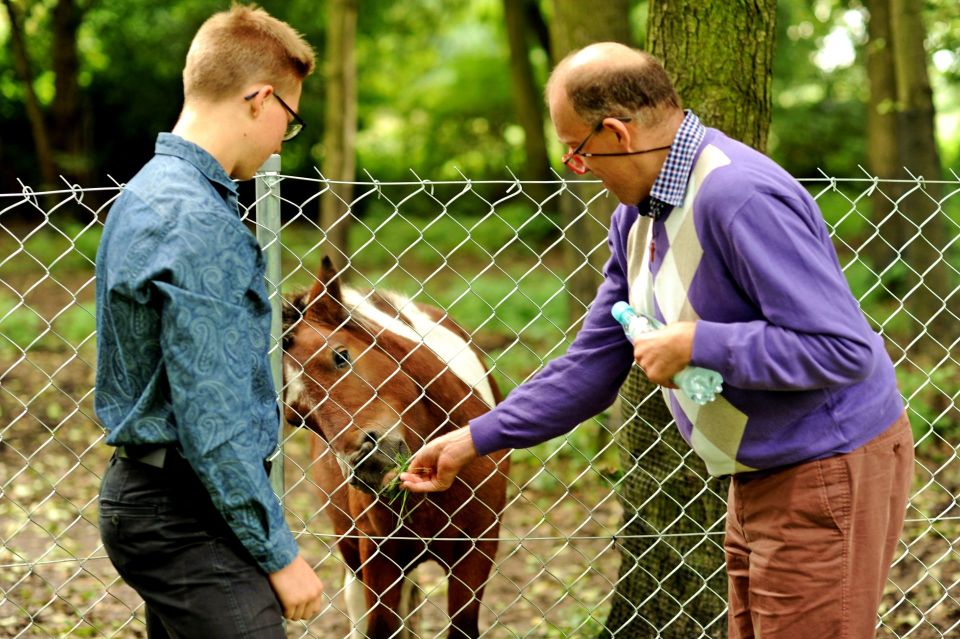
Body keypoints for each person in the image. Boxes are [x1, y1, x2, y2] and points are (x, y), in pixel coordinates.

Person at [401, 42, 914, 639]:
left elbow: (840, 349)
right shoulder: (637, 215)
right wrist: (473, 439)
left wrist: (701, 343)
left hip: (826, 466)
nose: (578, 165)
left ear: (617, 133)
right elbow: (592, 363)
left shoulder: (737, 196)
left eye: (576, 149)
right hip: (759, 474)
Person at [94, 5, 323, 637]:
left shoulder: (147, 190)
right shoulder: (197, 221)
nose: (282, 139)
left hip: (158, 496)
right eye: (289, 118)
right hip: (184, 514)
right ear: (259, 98)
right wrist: (280, 554)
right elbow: (211, 415)